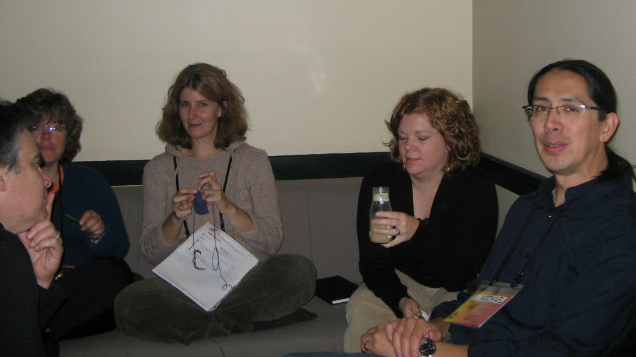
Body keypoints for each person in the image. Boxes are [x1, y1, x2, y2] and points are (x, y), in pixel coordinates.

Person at [356, 59, 636, 357]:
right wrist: (436, 326)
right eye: (541, 108)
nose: (551, 123)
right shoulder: (531, 207)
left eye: (570, 109)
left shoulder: (620, 228)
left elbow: (565, 349)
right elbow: (488, 292)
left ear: (607, 126)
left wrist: (426, 351)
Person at [114, 63, 316, 344]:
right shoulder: (158, 169)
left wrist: (227, 206)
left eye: (202, 104)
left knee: (298, 270)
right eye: (185, 104)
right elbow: (150, 251)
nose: (192, 115)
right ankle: (239, 322)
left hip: (246, 280)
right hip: (186, 290)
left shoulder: (252, 160)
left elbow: (272, 239)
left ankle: (207, 326)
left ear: (222, 109)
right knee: (129, 301)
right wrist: (175, 218)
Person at [344, 88, 498, 352]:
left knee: (474, 319)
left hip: (459, 289)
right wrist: (400, 301)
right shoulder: (382, 181)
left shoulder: (474, 186)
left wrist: (418, 231)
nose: (408, 147)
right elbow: (373, 262)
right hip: (403, 281)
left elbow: (459, 275)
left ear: (451, 142)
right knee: (361, 307)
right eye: (403, 137)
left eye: (422, 137)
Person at [15, 89, 134, 340]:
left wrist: (98, 235)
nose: (46, 136)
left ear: (68, 135)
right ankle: (38, 328)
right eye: (36, 126)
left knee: (118, 274)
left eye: (56, 127)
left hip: (78, 287)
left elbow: (118, 250)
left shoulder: (89, 181)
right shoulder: (8, 184)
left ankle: (38, 329)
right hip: (28, 287)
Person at [0, 100, 65, 356]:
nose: (46, 179)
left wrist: (38, 282)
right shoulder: (4, 251)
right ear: (0, 178)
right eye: (36, 165)